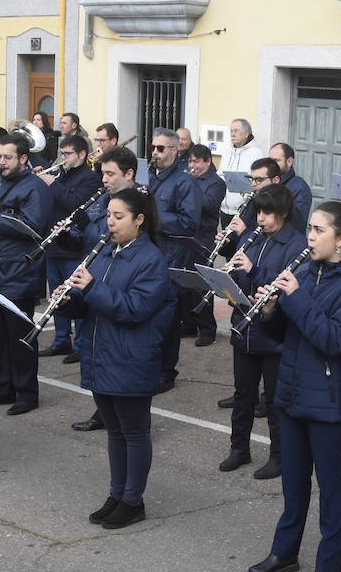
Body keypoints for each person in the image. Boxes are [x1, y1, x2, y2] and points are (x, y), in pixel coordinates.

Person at [244, 200, 341, 572]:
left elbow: (333, 340)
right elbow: (289, 330)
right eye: (310, 229)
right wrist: (269, 308)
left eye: (319, 230)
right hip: (292, 389)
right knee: (293, 480)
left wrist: (296, 298)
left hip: (330, 399)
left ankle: (330, 566)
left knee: (331, 485)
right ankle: (284, 552)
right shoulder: (305, 269)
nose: (310, 237)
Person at [59, 187, 173, 529]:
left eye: (118, 216)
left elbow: (135, 309)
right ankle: (117, 493)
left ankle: (133, 500)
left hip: (131, 356)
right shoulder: (107, 251)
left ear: (139, 220)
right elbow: (93, 302)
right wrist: (71, 300)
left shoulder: (151, 260)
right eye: (108, 215)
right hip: (101, 353)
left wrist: (91, 288)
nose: (110, 222)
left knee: (134, 432)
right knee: (114, 430)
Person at [223, 185, 306, 479]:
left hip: (274, 336)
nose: (261, 218)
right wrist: (228, 277)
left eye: (267, 213)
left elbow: (284, 287)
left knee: (274, 400)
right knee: (243, 394)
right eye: (258, 211)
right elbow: (239, 279)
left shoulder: (296, 245)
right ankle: (239, 449)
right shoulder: (251, 237)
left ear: (282, 213)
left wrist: (253, 270)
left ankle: (279, 456)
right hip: (243, 327)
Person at [68, 146, 140, 433]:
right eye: (103, 173)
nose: (104, 179)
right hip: (97, 271)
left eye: (110, 174)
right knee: (95, 344)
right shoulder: (103, 201)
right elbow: (89, 240)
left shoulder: (140, 203)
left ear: (129, 174)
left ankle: (132, 417)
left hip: (121, 278)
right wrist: (70, 233)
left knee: (119, 349)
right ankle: (104, 411)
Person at [0, 129, 48, 414]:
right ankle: (5, 386)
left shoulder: (35, 187)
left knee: (20, 340)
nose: (1, 161)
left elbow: (33, 228)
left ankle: (27, 393)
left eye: (7, 157)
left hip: (20, 271)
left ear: (23, 158)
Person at [37, 133, 102, 361]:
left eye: (67, 154)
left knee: (75, 295)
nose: (62, 158)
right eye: (61, 154)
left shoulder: (90, 179)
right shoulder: (61, 174)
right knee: (57, 296)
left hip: (73, 246)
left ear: (82, 155)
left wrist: (52, 184)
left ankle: (80, 345)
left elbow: (76, 205)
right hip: (54, 244)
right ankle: (60, 340)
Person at [148, 127, 201, 394]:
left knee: (168, 319)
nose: (155, 153)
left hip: (172, 256)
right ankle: (152, 366)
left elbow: (189, 223)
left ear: (174, 150)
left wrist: (153, 217)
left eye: (160, 148)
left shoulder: (184, 182)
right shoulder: (151, 176)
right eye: (153, 147)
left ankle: (166, 372)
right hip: (150, 255)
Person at [185, 143, 227, 346]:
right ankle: (189, 324)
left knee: (202, 284)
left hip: (203, 238)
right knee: (184, 281)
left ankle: (208, 329)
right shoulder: (191, 179)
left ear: (208, 161)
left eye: (196, 161)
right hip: (187, 234)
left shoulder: (216, 183)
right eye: (190, 161)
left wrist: (190, 184)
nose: (192, 165)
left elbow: (208, 205)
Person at [218, 118, 261, 227]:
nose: (232, 134)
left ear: (246, 133)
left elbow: (257, 182)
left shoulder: (256, 154)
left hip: (243, 211)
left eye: (236, 131)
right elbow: (220, 175)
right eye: (231, 131)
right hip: (224, 209)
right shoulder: (227, 152)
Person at [267, 142, 313, 227]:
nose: (271, 165)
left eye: (276, 161)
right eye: (269, 161)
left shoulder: (300, 188)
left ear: (289, 161)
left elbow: (298, 223)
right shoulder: (267, 182)